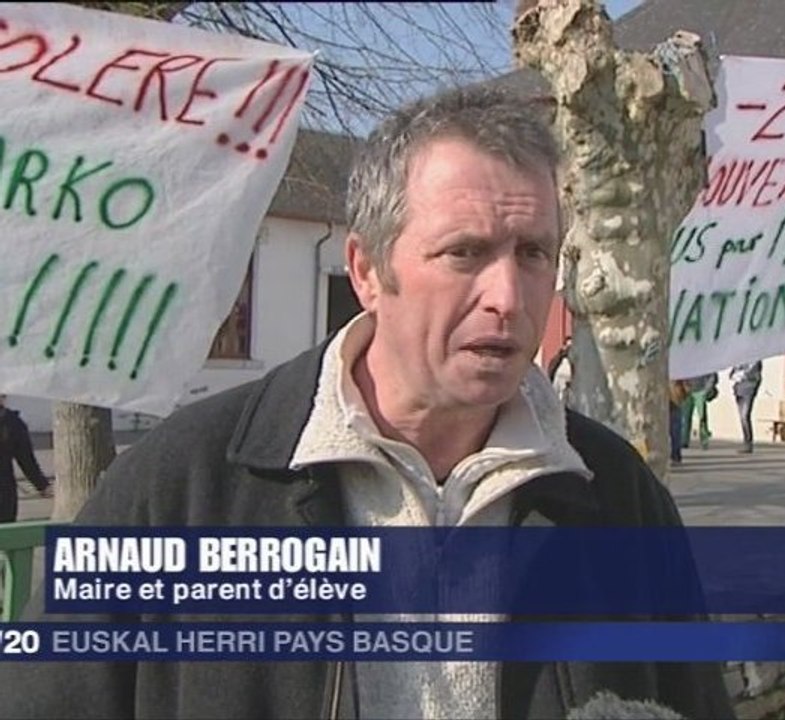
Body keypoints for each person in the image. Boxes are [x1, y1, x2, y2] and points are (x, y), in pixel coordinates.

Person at [0, 88, 733, 720]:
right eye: (466, 253)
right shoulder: (183, 487)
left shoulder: (616, 498)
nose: (508, 298)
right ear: (366, 271)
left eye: (534, 254)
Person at [0, 394, 52, 523]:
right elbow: (26, 460)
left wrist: (42, 485)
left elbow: (26, 459)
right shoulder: (12, 422)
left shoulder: (13, 423)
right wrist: (42, 486)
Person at [730, 360, 763, 454]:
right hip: (739, 389)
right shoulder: (739, 358)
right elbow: (732, 373)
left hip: (749, 389)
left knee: (745, 416)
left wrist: (738, 375)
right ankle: (746, 442)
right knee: (742, 417)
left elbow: (750, 374)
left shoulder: (755, 359)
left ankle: (748, 443)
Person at [680, 373, 718, 450]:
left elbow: (713, 375)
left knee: (702, 417)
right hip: (688, 391)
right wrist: (684, 386)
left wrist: (707, 389)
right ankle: (683, 441)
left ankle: (704, 440)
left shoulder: (705, 362)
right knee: (685, 417)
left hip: (700, 391)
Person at [546, 335, 573, 404]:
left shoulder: (575, 361)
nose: (568, 349)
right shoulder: (558, 358)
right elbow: (551, 369)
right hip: (557, 384)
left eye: (571, 347)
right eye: (567, 346)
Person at [668, 380, 687, 465]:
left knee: (675, 431)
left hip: (674, 402)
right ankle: (675, 455)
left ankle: (676, 455)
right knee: (674, 431)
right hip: (670, 400)